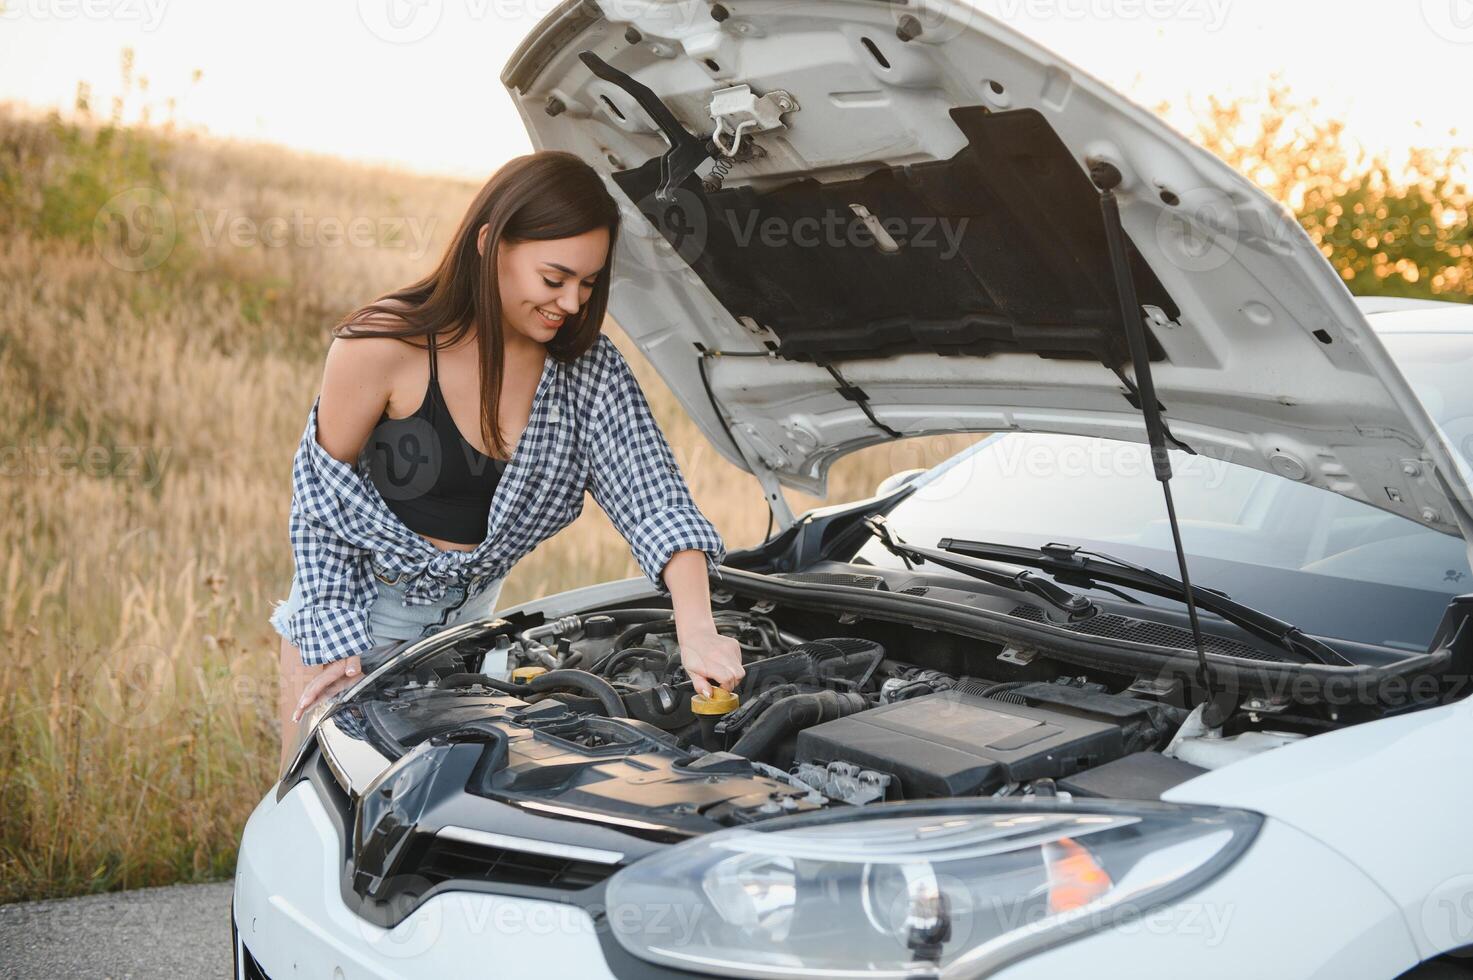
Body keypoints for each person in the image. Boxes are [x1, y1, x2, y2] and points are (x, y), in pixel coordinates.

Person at [268, 150, 743, 768]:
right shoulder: (381, 345)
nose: (572, 303)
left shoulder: (589, 372)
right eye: (555, 279)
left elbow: (656, 502)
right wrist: (333, 640)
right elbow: (319, 501)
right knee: (327, 831)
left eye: (589, 284)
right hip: (350, 626)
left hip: (471, 635)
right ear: (490, 243)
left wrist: (697, 630)